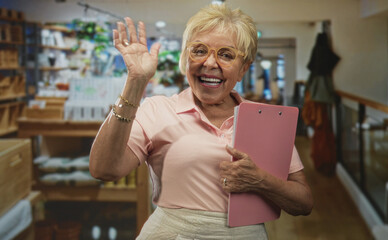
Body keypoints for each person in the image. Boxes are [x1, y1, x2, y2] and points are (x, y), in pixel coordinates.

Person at [89, 4, 313, 240]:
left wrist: (260, 181)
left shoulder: (267, 120)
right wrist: (135, 82)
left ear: (243, 69)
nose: (209, 63)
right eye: (199, 50)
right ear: (186, 58)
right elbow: (104, 169)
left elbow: (304, 202)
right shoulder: (157, 109)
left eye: (226, 54)